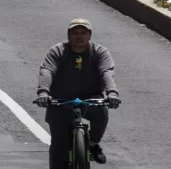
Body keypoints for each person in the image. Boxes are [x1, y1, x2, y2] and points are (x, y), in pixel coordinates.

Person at [35, 18, 121, 168]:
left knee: (101, 111)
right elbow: (47, 71)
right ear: (68, 35)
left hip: (90, 98)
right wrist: (43, 92)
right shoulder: (57, 51)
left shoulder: (100, 52)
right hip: (61, 100)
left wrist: (112, 93)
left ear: (90, 35)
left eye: (83, 33)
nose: (79, 36)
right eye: (75, 33)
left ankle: (93, 143)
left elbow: (106, 73)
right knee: (59, 147)